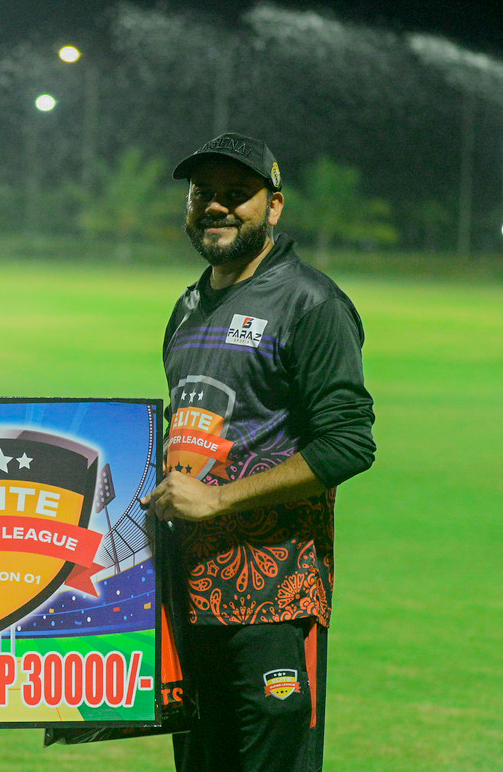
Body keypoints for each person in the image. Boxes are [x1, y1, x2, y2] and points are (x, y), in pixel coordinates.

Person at [141, 132, 375, 772]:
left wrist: (218, 500)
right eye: (202, 194)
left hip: (274, 597)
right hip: (188, 591)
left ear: (273, 206)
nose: (215, 207)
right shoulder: (189, 305)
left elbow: (348, 443)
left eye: (236, 194)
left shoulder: (311, 303)